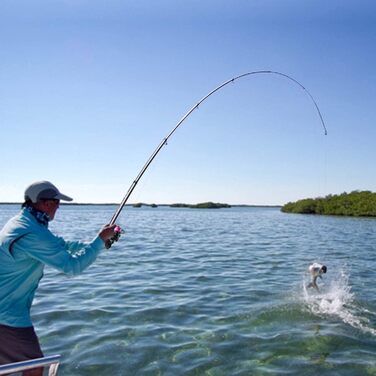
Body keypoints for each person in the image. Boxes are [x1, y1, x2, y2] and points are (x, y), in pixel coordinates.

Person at [0, 181, 121, 375]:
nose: (59, 206)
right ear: (46, 203)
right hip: (7, 316)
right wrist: (99, 241)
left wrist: (95, 241)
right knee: (34, 366)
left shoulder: (23, 222)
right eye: (57, 202)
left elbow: (59, 244)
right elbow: (73, 267)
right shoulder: (33, 233)